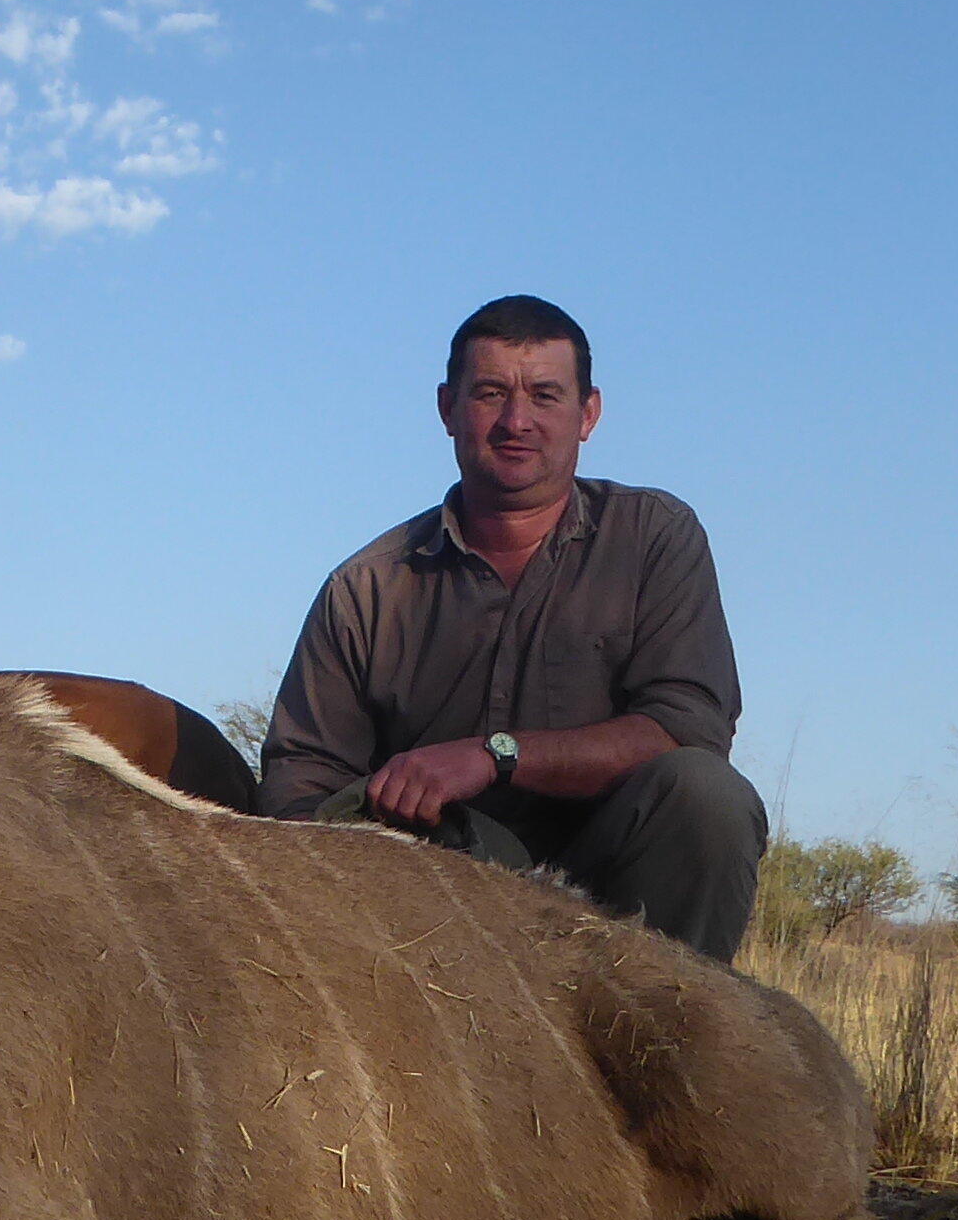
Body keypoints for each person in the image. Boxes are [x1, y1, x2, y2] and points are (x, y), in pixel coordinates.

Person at [259, 294, 771, 963]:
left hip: (618, 889)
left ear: (589, 414)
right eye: (491, 393)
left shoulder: (654, 537)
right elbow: (300, 787)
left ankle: (680, 1047)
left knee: (706, 795)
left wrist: (490, 756)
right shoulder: (365, 588)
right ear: (447, 408)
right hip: (435, 904)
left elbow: (689, 726)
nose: (517, 421)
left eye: (546, 396)